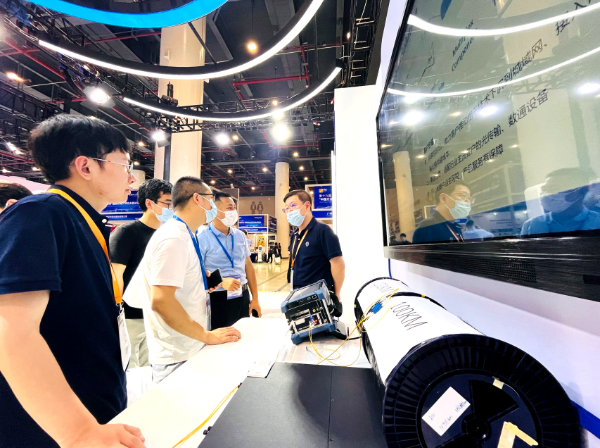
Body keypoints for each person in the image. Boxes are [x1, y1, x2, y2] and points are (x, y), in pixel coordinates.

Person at [0, 115, 146, 448]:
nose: (131, 178)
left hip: (89, 411)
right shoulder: (39, 213)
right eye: (125, 164)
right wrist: (78, 432)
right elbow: (12, 333)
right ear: (85, 166)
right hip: (49, 431)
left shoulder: (81, 219)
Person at [135, 177, 242, 384]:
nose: (212, 206)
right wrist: (206, 336)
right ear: (197, 199)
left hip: (188, 346)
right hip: (176, 354)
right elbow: (161, 301)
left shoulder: (186, 234)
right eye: (210, 199)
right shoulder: (173, 238)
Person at [109, 178, 173, 368]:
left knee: (151, 366)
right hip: (131, 315)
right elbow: (116, 275)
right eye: (167, 203)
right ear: (149, 203)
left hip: (157, 314)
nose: (171, 209)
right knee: (130, 366)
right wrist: (116, 311)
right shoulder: (127, 232)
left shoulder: (166, 234)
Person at [198, 192, 262, 329]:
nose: (233, 211)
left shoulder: (239, 236)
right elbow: (197, 272)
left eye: (234, 207)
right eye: (229, 207)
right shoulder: (202, 238)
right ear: (215, 210)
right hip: (217, 298)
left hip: (242, 295)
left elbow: (248, 266)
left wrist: (255, 298)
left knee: (243, 334)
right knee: (220, 338)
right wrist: (221, 282)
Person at [284, 189, 345, 314]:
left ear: (307, 206)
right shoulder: (294, 235)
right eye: (286, 208)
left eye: (293, 205)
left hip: (319, 298)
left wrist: (335, 294)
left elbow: (338, 264)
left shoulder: (323, 231)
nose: (289, 210)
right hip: (298, 295)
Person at [521, 168, 600, 236]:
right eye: (544, 189)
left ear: (581, 191)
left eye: (555, 189)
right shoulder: (531, 225)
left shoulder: (597, 222)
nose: (547, 194)